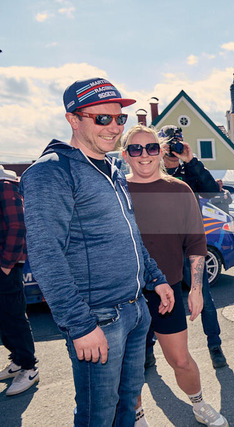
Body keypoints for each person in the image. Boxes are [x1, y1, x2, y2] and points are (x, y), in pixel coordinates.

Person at [20, 77, 174, 425]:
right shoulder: (51, 172)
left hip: (135, 310)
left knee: (128, 407)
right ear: (73, 120)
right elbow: (46, 256)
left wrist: (156, 278)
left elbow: (129, 235)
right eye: (102, 118)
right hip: (98, 320)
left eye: (120, 118)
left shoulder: (113, 169)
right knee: (97, 417)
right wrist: (80, 326)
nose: (115, 127)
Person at [122, 125, 227, 427]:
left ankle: (199, 404)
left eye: (151, 147)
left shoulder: (179, 190)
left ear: (161, 151)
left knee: (180, 359)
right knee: (129, 367)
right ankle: (137, 417)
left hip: (166, 293)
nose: (144, 154)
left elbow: (195, 242)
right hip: (125, 295)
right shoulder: (116, 190)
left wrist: (196, 288)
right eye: (135, 148)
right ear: (125, 155)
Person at [159, 125, 228, 369]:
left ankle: (215, 345)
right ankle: (147, 349)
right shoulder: (152, 171)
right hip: (161, 246)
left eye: (178, 142)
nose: (174, 148)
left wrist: (191, 160)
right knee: (154, 299)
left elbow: (212, 192)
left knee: (205, 298)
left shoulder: (189, 170)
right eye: (169, 144)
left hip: (190, 245)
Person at [0, 166, 39, 396]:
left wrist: (6, 264)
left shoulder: (4, 186)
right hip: (5, 264)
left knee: (13, 316)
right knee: (4, 318)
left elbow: (18, 226)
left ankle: (28, 367)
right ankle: (17, 360)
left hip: (7, 265)